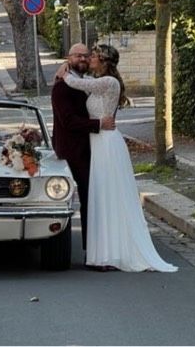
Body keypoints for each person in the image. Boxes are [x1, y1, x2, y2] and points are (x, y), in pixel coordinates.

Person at [58, 43, 178, 273]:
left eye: (93, 56)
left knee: (107, 197)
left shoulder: (108, 82)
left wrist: (65, 67)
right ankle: (104, 251)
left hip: (106, 143)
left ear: (103, 60)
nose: (89, 59)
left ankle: (112, 252)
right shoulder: (99, 82)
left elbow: (76, 82)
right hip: (98, 141)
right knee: (101, 197)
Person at [51, 43, 115, 256]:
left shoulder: (88, 82)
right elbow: (68, 121)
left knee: (93, 198)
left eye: (87, 56)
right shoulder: (62, 86)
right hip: (72, 150)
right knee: (80, 198)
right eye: (78, 56)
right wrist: (98, 125)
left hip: (92, 148)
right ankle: (85, 247)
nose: (83, 59)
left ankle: (94, 247)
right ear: (69, 58)